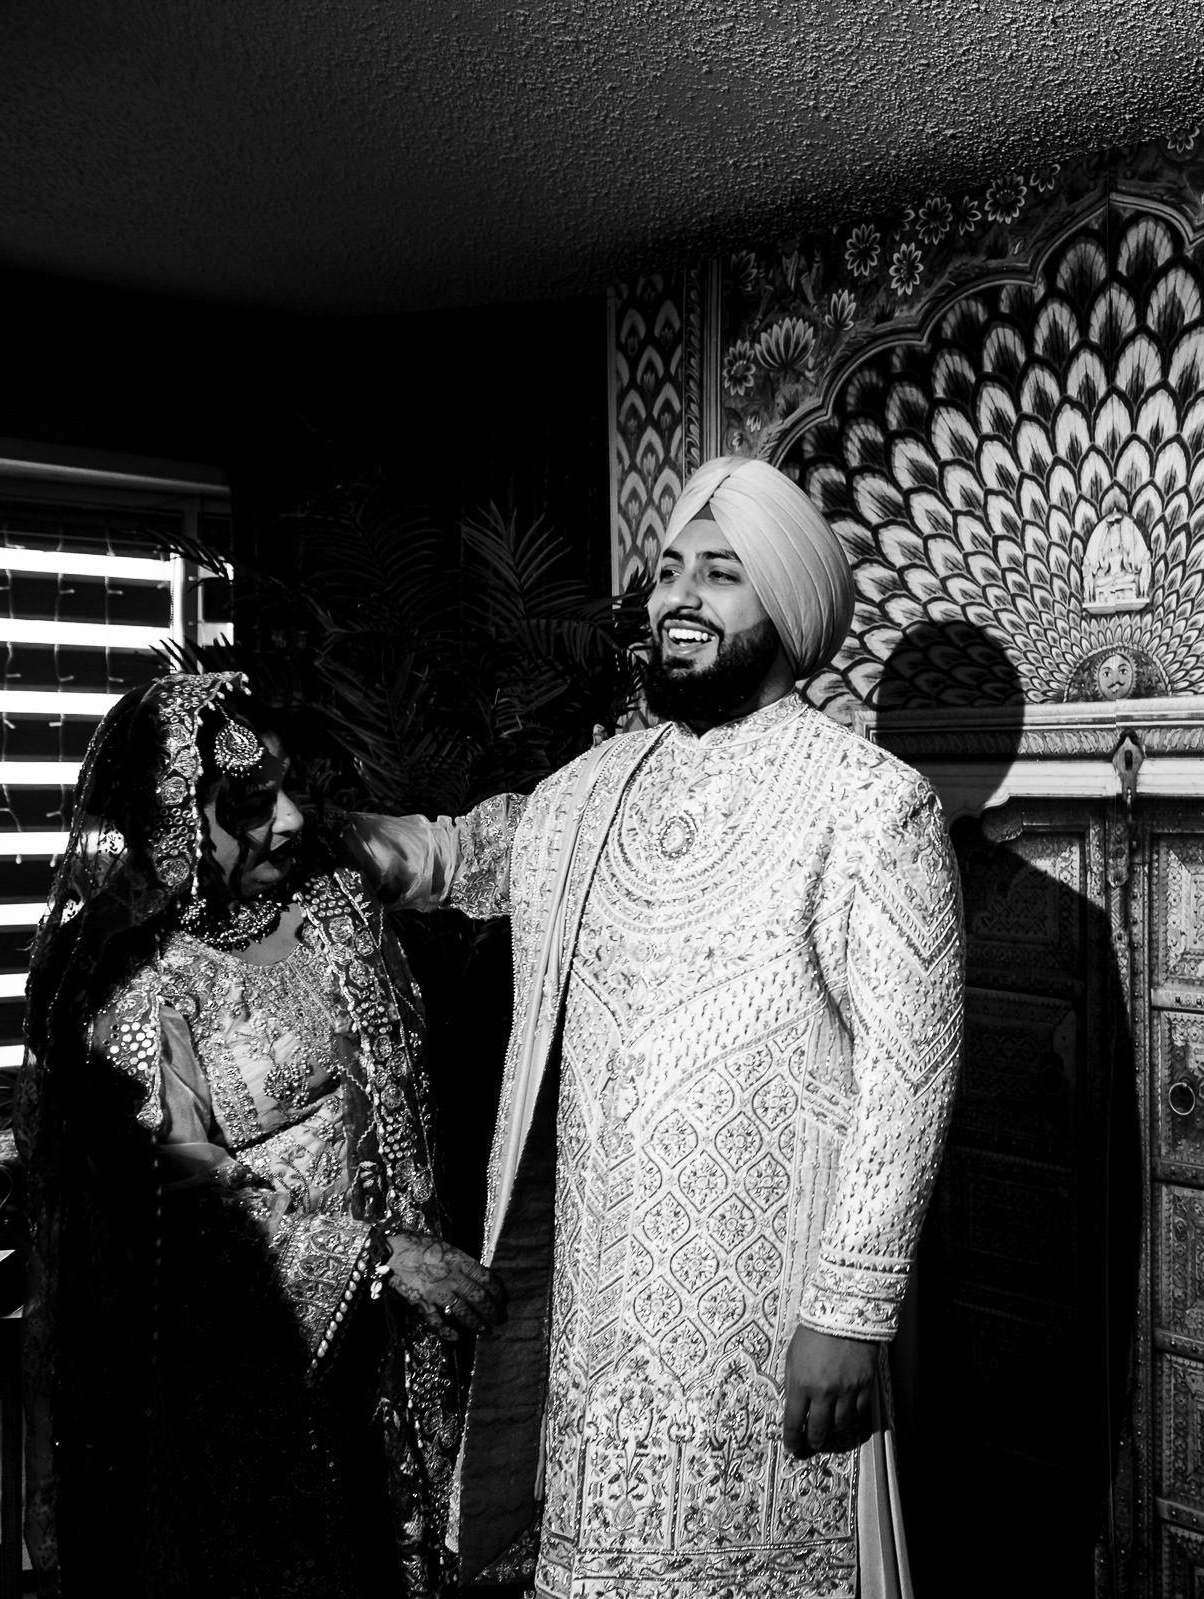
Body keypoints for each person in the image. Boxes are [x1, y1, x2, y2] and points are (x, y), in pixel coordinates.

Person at [344, 456, 966, 1596]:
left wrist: (851, 1310)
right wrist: (349, 844)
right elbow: (478, 852)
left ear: (787, 604)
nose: (682, 597)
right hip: (600, 1307)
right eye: (672, 569)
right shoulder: (594, 788)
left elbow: (909, 1075)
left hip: (770, 1303)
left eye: (722, 575)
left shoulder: (871, 803)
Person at [16, 672, 505, 1599]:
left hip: (418, 1334)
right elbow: (177, 1198)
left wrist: (626, 784)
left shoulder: (325, 882)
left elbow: (468, 849)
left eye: (285, 785)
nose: (285, 818)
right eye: (247, 801)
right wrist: (371, 1257)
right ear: (170, 818)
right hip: (273, 1367)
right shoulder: (132, 984)